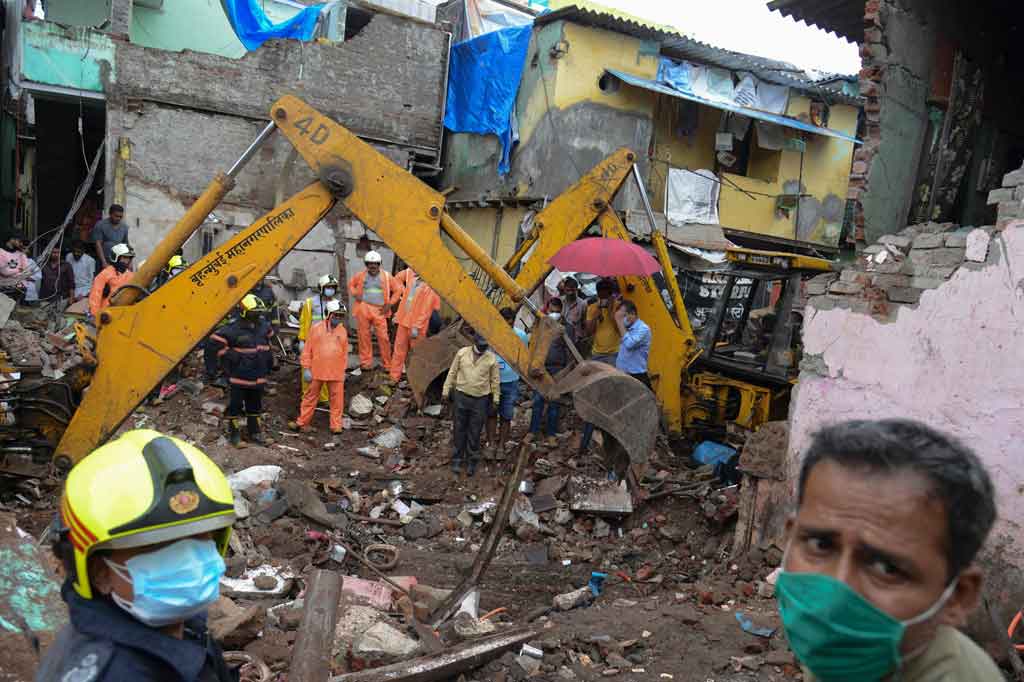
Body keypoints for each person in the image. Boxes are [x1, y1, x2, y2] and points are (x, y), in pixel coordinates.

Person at [777, 419, 1002, 682]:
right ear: (790, 535)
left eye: (887, 569)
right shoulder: (847, 655)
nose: (834, 601)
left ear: (958, 597)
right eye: (820, 545)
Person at [37, 429, 237, 681]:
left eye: (199, 536)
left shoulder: (183, 630)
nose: (190, 563)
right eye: (159, 546)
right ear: (100, 573)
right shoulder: (116, 673)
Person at [210, 294, 274, 447]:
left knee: (255, 406)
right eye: (254, 312)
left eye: (259, 312)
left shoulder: (263, 326)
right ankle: (235, 435)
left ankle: (255, 432)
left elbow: (269, 341)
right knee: (235, 407)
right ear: (244, 311)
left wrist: (269, 361)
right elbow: (215, 344)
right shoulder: (233, 329)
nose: (257, 315)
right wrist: (233, 359)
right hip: (239, 377)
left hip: (258, 376)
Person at [441, 333, 499, 477]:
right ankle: (457, 459)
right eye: (481, 345)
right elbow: (452, 372)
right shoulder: (462, 353)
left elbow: (495, 381)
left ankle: (472, 460)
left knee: (475, 430)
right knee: (459, 428)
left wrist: (496, 399)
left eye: (485, 345)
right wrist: (446, 390)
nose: (483, 347)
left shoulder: (491, 359)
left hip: (480, 399)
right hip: (461, 395)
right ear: (475, 342)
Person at [290, 299, 349, 435]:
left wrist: (343, 370)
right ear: (329, 315)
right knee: (310, 398)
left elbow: (344, 353)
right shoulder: (316, 329)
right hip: (316, 371)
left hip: (336, 373)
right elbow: (307, 351)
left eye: (341, 316)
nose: (338, 319)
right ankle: (302, 422)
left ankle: (336, 425)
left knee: (337, 401)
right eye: (336, 315)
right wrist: (306, 368)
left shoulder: (342, 331)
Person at [528, 297, 574, 447]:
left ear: (561, 311)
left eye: (556, 311)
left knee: (554, 403)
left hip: (557, 369)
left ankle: (551, 434)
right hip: (541, 367)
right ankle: (533, 432)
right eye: (551, 310)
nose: (553, 313)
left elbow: (570, 351)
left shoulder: (566, 328)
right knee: (537, 401)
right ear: (547, 310)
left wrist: (566, 371)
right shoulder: (542, 325)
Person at [348, 250, 402, 372]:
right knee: (363, 336)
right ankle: (366, 363)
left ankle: (387, 364)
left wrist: (390, 304)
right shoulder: (361, 275)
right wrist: (355, 293)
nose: (372, 266)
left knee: (383, 337)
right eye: (369, 263)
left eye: (375, 263)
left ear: (379, 264)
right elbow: (351, 284)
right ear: (366, 264)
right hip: (364, 308)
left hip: (380, 310)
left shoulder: (387, 277)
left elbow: (398, 290)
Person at [486, 307, 529, 457]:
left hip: (511, 381)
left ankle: (502, 446)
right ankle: (491, 444)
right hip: (492, 381)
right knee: (491, 413)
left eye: (510, 324)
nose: (508, 326)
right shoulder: (490, 334)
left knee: (506, 415)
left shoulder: (521, 336)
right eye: (505, 323)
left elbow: (524, 357)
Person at [389, 267, 441, 383]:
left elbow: (425, 311)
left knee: (416, 355)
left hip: (416, 328)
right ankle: (394, 377)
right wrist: (397, 315)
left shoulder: (430, 289)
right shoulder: (412, 281)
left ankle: (415, 381)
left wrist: (416, 327)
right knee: (398, 351)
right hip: (404, 322)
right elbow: (405, 302)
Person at [298, 274, 342, 404]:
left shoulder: (336, 304)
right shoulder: (310, 303)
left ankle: (323, 398)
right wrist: (302, 340)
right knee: (308, 372)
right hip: (312, 342)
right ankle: (307, 397)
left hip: (329, 343)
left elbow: (339, 325)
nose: (331, 290)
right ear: (321, 288)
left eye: (333, 287)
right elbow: (304, 322)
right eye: (328, 287)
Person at [88, 243, 134, 319]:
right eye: (124, 258)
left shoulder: (131, 275)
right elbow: (95, 296)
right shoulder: (105, 274)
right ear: (116, 257)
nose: (127, 261)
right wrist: (95, 316)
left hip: (125, 314)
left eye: (129, 258)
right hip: (107, 314)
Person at [615, 300, 652, 386]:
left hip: (637, 376)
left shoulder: (643, 329)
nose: (622, 319)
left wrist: (619, 322)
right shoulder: (626, 328)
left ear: (632, 313)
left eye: (623, 315)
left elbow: (629, 344)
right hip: (622, 374)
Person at [584, 278, 622, 363]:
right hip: (597, 353)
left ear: (611, 294)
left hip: (615, 353)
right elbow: (588, 332)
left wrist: (610, 312)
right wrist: (595, 317)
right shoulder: (592, 308)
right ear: (598, 294)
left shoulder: (619, 306)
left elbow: (620, 330)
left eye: (606, 296)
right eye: (601, 296)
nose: (604, 299)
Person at [91, 204, 129, 271]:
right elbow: (98, 244)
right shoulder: (101, 225)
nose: (118, 218)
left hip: (118, 262)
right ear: (110, 214)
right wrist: (103, 262)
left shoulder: (124, 227)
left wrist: (128, 262)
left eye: (120, 217)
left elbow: (125, 245)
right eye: (116, 216)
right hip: (104, 261)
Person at [0, 237, 30, 301]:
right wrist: (19, 270)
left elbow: (27, 272)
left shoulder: (22, 254)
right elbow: (4, 271)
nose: (21, 243)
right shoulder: (1, 252)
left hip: (20, 288)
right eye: (19, 241)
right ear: (11, 240)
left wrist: (13, 274)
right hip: (5, 288)